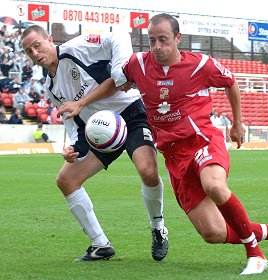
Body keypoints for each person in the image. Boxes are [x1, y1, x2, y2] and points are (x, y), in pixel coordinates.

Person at [57, 14, 268, 275]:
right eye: (152, 41)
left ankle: (255, 254)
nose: (157, 46)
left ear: (177, 38)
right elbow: (116, 83)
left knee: (214, 185)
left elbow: (230, 82)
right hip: (174, 157)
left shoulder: (201, 65)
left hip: (202, 141)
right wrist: (81, 103)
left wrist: (237, 123)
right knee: (213, 233)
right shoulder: (138, 64)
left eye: (163, 40)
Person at [21, 25, 168, 262]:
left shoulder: (76, 48)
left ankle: (158, 227)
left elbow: (114, 73)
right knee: (66, 180)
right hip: (100, 132)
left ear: (49, 39)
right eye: (29, 51)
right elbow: (74, 123)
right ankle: (100, 244)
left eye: (37, 45)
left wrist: (88, 98)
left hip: (130, 115)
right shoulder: (51, 87)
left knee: (148, 172)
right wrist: (74, 149)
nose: (35, 53)